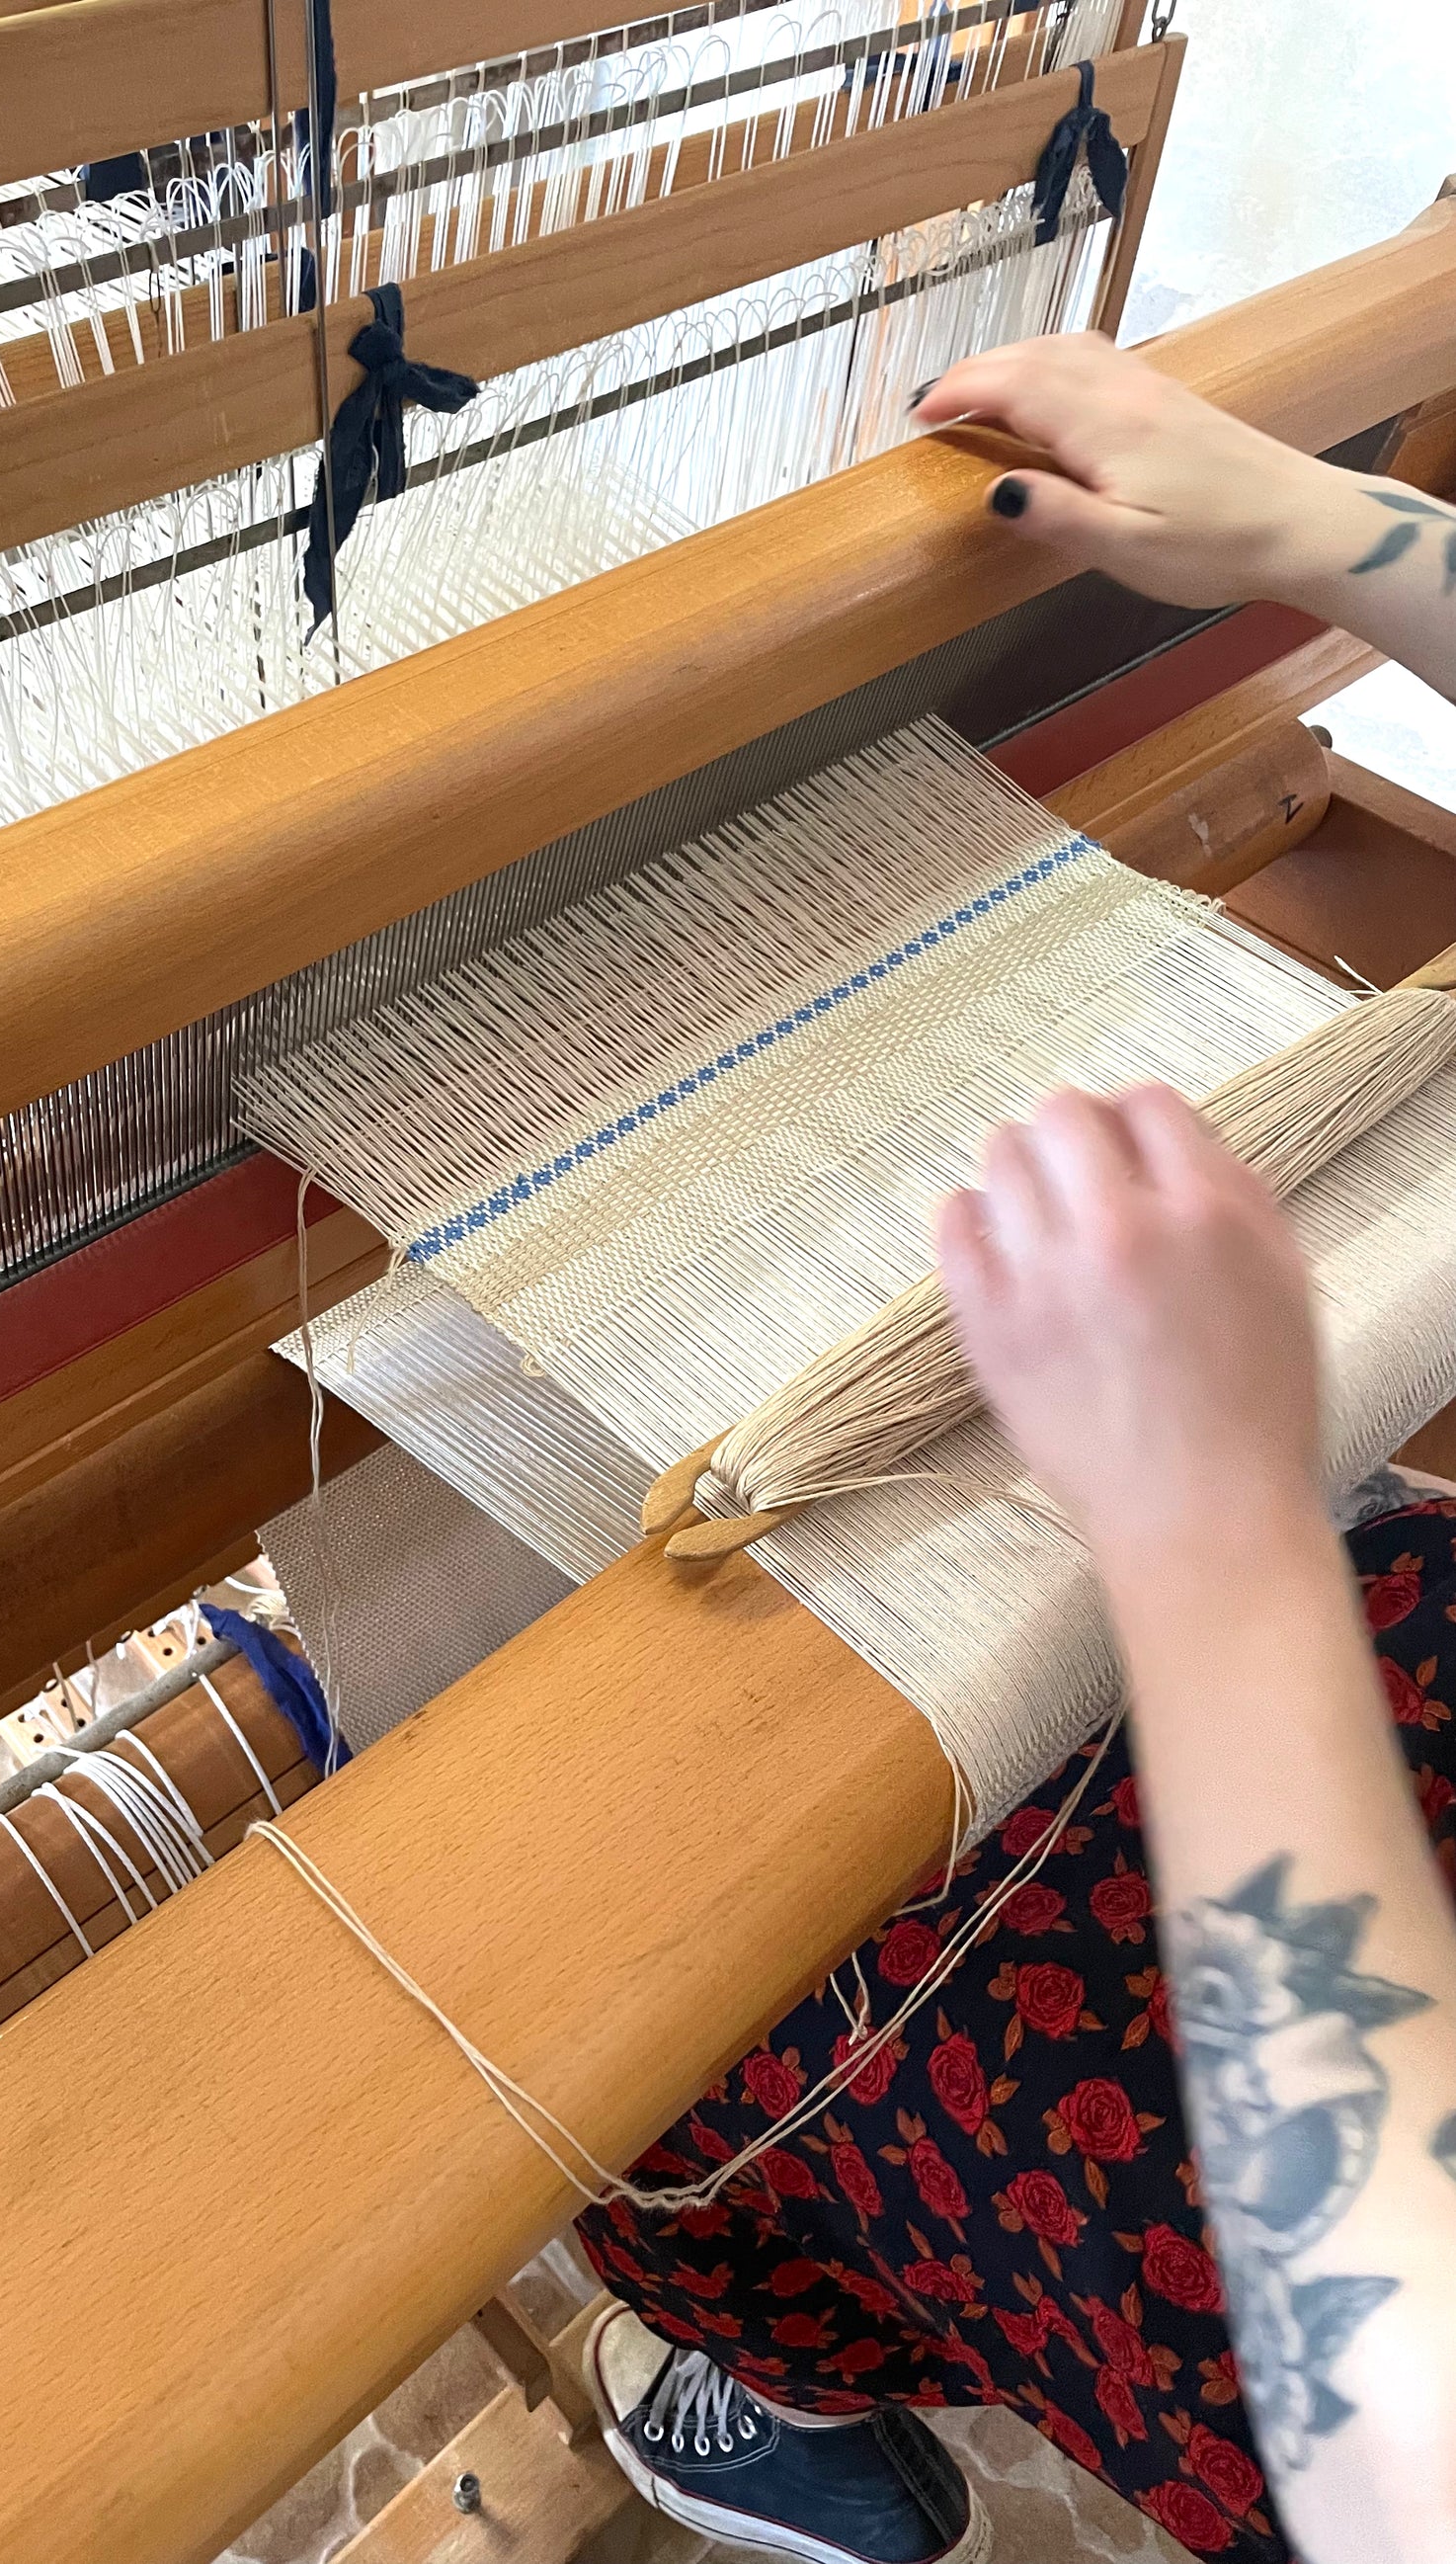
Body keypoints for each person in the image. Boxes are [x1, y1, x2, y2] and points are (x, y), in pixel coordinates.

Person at [574, 333, 1456, 2564]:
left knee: (685, 1984)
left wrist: (1213, 1525)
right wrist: (1320, 530)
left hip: (1349, 2279)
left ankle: (777, 2387)